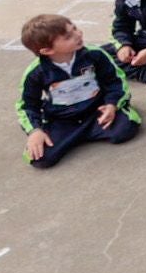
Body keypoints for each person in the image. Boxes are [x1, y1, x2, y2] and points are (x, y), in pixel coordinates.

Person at [16, 14, 139, 168]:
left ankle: (88, 132)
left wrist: (112, 105)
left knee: (126, 128)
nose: (78, 34)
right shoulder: (36, 72)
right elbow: (27, 105)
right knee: (40, 159)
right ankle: (80, 134)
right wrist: (35, 131)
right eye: (68, 37)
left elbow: (115, 81)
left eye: (74, 28)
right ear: (47, 50)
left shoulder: (95, 54)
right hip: (63, 120)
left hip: (96, 111)